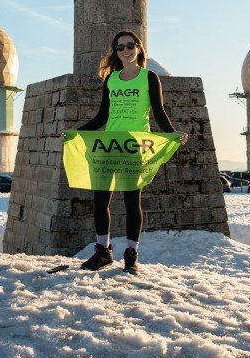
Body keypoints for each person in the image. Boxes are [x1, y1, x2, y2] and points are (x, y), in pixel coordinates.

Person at [76, 30, 188, 275]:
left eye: (130, 45)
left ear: (138, 48)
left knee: (131, 201)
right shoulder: (111, 79)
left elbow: (158, 112)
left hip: (133, 147)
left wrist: (173, 133)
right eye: (120, 47)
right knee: (100, 200)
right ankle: (103, 251)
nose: (125, 50)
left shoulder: (149, 78)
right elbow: (102, 116)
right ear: (115, 52)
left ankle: (130, 254)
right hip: (108, 145)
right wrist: (75, 132)